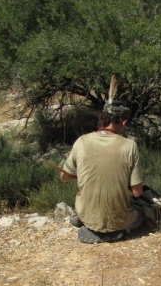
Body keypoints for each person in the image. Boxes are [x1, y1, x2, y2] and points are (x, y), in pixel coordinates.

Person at [60, 101, 143, 244]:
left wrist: (85, 175)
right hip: (119, 222)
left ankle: (85, 221)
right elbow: (137, 192)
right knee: (141, 213)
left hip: (88, 217)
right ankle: (115, 231)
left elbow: (64, 177)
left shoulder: (81, 141)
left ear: (101, 118)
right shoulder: (130, 146)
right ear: (123, 122)